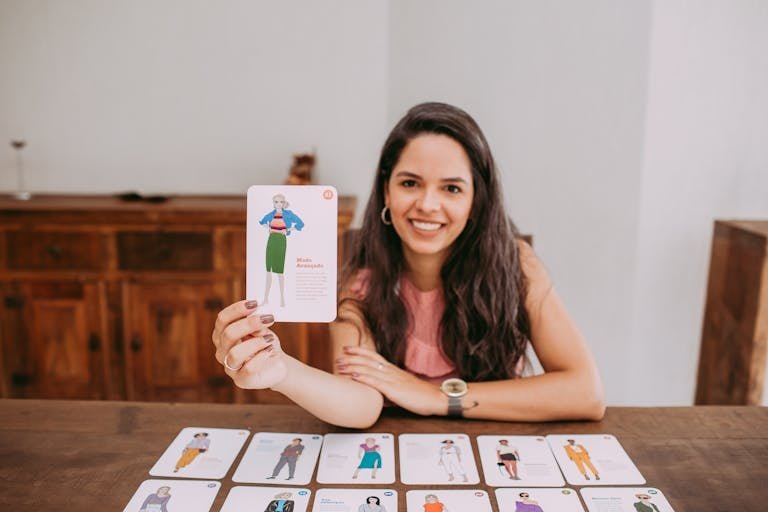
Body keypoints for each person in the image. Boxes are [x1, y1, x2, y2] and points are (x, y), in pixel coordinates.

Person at [212, 102, 605, 428]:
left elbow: (586, 393)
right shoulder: (361, 280)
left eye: (451, 188)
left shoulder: (517, 265)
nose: (428, 205)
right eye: (410, 183)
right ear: (386, 189)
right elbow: (361, 404)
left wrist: (437, 397)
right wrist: (283, 371)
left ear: (476, 201)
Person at [259, 193, 304, 307]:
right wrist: (268, 228)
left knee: (279, 271)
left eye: (281, 202)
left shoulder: (288, 214)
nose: (278, 204)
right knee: (268, 270)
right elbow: (262, 222)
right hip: (271, 240)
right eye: (276, 202)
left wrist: (289, 229)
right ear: (273, 203)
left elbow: (300, 223)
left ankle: (282, 298)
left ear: (284, 203)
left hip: (281, 241)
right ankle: (265, 298)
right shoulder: (271, 214)